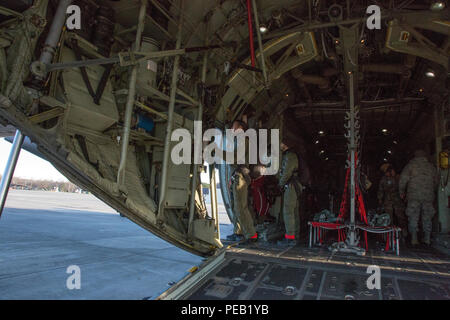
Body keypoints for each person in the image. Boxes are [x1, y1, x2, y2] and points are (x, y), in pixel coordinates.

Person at [226, 120, 258, 242]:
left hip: (240, 177)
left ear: (240, 128)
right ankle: (238, 232)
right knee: (235, 207)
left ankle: (251, 235)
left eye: (233, 126)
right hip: (236, 177)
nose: (231, 128)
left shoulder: (242, 140)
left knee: (241, 208)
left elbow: (234, 158)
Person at [399, 150, 438, 246]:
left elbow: (403, 180)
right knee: (427, 217)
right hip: (428, 196)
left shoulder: (410, 166)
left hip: (413, 196)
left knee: (413, 216)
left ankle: (414, 238)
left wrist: (401, 192)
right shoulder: (431, 167)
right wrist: (433, 191)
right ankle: (427, 238)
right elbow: (436, 182)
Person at [277, 140, 302, 246]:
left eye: (281, 143)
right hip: (295, 185)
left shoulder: (290, 155)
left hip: (291, 186)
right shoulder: (292, 155)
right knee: (294, 211)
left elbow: (287, 172)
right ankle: (295, 236)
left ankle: (290, 238)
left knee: (288, 211)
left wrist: (280, 184)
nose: (280, 145)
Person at [377, 164, 408, 240]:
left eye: (387, 172)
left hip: (398, 200)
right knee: (388, 217)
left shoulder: (398, 178)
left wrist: (405, 197)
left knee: (400, 216)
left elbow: (404, 187)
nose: (386, 174)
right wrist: (380, 199)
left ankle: (404, 233)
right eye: (385, 173)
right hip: (388, 200)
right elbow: (380, 190)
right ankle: (389, 235)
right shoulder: (384, 179)